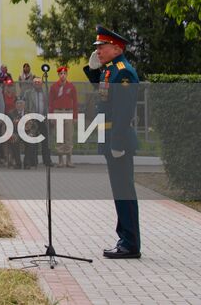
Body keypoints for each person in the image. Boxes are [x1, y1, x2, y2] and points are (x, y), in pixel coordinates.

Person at [84, 25, 141, 259]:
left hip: (119, 140)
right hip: (110, 137)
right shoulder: (110, 71)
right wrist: (91, 69)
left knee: (124, 191)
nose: (98, 50)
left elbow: (123, 111)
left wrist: (116, 143)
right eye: (97, 46)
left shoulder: (122, 73)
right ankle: (124, 238)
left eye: (102, 46)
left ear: (116, 48)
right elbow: (103, 94)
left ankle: (130, 243)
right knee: (120, 191)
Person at [48, 65, 78, 167]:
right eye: (61, 73)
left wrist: (75, 116)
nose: (63, 75)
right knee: (59, 136)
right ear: (58, 75)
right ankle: (60, 160)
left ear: (67, 75)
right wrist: (51, 116)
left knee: (69, 136)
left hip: (68, 111)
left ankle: (69, 160)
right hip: (58, 112)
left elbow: (75, 102)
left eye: (65, 73)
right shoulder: (54, 87)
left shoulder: (71, 86)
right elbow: (51, 102)